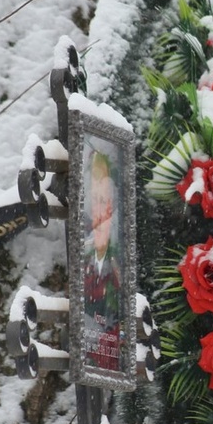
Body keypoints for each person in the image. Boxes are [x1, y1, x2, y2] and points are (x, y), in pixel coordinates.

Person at [83, 147, 122, 370]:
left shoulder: (117, 252)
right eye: (96, 199)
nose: (100, 206)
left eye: (106, 199)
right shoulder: (86, 252)